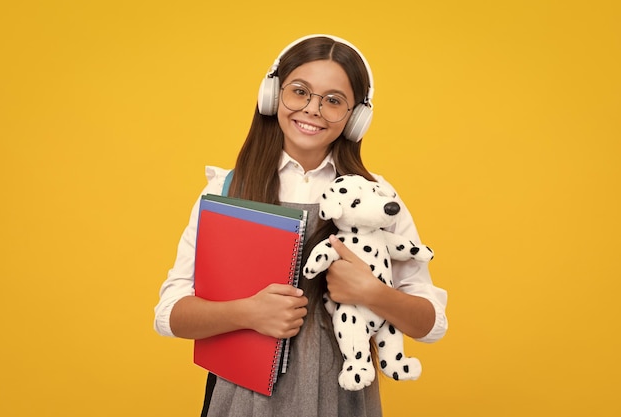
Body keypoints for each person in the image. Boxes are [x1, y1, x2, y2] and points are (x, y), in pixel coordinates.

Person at [154, 34, 448, 417]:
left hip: (343, 399)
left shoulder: (377, 199)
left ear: (355, 117)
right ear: (273, 95)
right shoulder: (226, 189)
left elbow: (432, 325)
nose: (313, 109)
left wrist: (374, 293)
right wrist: (248, 312)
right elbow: (170, 314)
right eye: (299, 92)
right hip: (245, 402)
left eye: (333, 101)